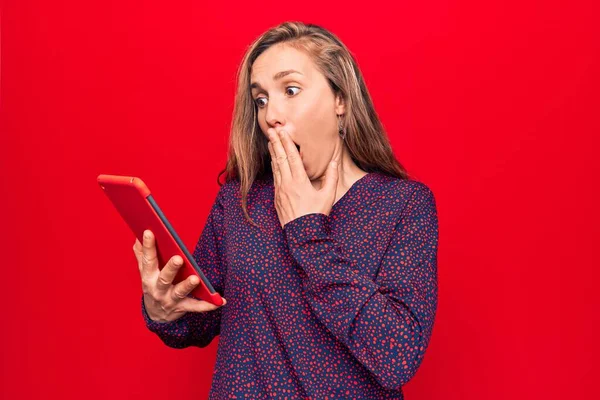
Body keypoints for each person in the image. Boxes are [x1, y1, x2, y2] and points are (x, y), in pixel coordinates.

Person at [132, 21, 439, 399]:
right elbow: (202, 316)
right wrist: (163, 310)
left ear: (340, 99)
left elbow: (397, 357)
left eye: (290, 90)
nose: (270, 116)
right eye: (261, 100)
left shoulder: (404, 204)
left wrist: (307, 230)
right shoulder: (240, 200)